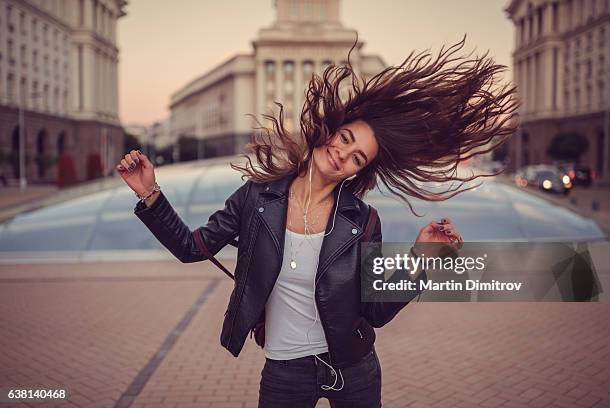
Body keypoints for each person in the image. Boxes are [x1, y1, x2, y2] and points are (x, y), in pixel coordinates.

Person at [116, 34, 518, 407]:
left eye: (358, 156)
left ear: (358, 172)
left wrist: (421, 258)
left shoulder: (362, 219)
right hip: (285, 369)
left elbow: (375, 310)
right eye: (345, 138)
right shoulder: (257, 197)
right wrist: (150, 194)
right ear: (329, 132)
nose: (344, 154)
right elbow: (191, 248)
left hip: (354, 368)